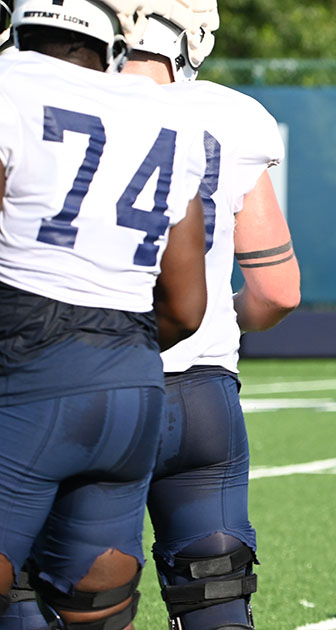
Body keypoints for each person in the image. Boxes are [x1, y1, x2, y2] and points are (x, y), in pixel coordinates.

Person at [0, 0, 209, 628]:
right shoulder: (169, 117)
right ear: (112, 48)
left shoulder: (8, 88)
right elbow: (187, 306)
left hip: (25, 366)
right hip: (133, 383)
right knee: (94, 606)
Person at [124, 1, 297, 628]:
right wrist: (213, 315)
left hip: (78, 379)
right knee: (214, 590)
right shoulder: (234, 114)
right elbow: (277, 291)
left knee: (57, 586)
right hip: (203, 392)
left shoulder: (31, 97)